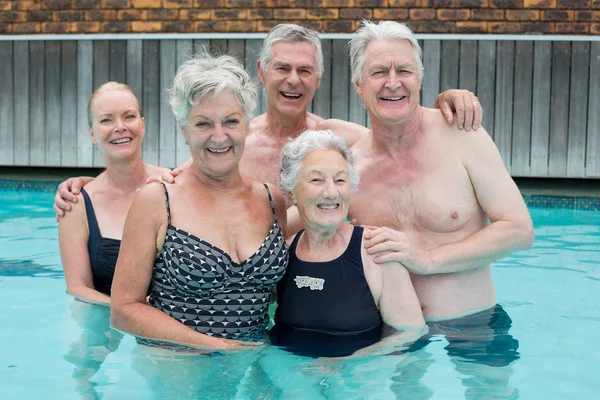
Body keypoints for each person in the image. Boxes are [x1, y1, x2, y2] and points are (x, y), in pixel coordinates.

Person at [52, 24, 483, 218]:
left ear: (318, 79)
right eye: (282, 68)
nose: (292, 80)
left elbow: (400, 140)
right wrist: (87, 186)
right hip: (255, 297)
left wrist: (448, 99)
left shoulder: (343, 139)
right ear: (261, 72)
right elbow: (165, 184)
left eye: (304, 70)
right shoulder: (232, 141)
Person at [346, 20, 533, 365]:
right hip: (396, 333)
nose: (392, 82)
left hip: (475, 323)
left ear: (419, 78)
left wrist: (427, 260)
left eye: (404, 70)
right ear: (358, 84)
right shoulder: (350, 171)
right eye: (378, 72)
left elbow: (519, 230)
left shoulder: (462, 135)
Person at [110, 53, 289, 350]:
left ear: (247, 125)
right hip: (178, 368)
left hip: (253, 364)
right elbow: (123, 310)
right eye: (203, 124)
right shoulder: (157, 201)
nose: (219, 136)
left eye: (231, 121)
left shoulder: (272, 200)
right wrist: (215, 345)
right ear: (184, 131)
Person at [271, 130, 426, 358]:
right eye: (316, 179)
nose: (331, 192)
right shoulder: (282, 255)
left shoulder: (376, 252)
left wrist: (348, 364)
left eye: (340, 180)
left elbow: (410, 335)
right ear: (291, 190)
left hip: (354, 382)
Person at [58, 82, 168, 305]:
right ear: (92, 134)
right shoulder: (76, 203)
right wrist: (130, 309)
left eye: (129, 116)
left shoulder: (171, 185)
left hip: (168, 323)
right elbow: (78, 288)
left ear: (142, 124)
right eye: (106, 120)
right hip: (104, 319)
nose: (120, 127)